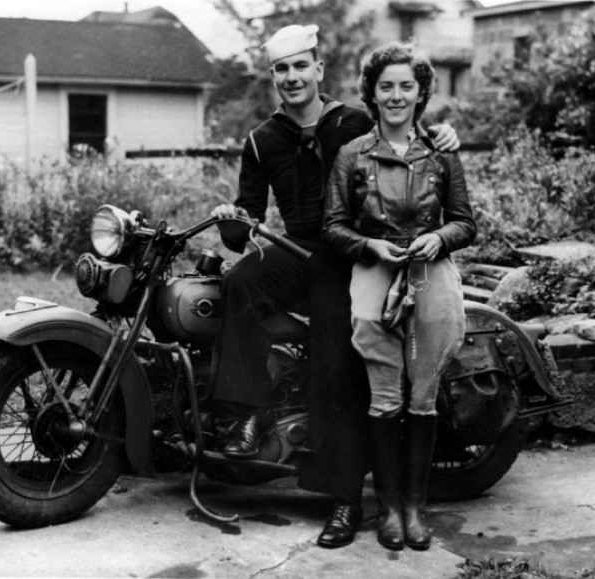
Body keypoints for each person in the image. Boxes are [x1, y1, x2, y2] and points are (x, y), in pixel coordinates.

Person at [210, 25, 460, 549]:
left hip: (347, 253)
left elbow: (404, 131)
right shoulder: (262, 140)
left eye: (302, 65)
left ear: (319, 69)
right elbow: (248, 225)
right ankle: (248, 415)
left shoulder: (352, 121)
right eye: (282, 69)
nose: (292, 77)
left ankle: (344, 500)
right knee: (239, 283)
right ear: (273, 76)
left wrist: (442, 135)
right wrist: (231, 221)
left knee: (337, 362)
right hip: (297, 246)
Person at [322, 42, 476, 551]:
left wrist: (441, 237)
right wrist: (369, 244)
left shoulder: (441, 153)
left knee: (424, 397)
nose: (395, 95)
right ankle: (389, 509)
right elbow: (332, 227)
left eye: (405, 86)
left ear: (420, 92)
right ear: (371, 92)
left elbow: (465, 222)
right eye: (385, 86)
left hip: (431, 274)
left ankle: (415, 509)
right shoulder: (353, 154)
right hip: (375, 273)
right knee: (385, 397)